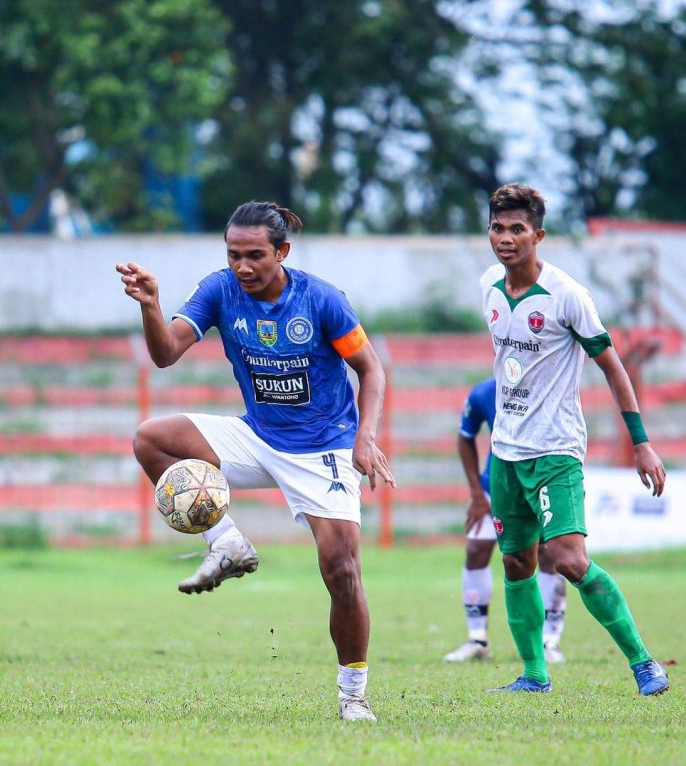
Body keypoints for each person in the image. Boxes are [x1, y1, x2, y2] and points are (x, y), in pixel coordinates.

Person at [116, 200, 395, 723]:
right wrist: (151, 305)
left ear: (282, 252)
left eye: (254, 256)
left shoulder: (322, 299)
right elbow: (164, 354)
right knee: (151, 439)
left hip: (324, 447)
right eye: (233, 255)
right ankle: (226, 543)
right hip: (257, 435)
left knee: (341, 569)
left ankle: (353, 693)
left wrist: (365, 438)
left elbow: (371, 370)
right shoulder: (219, 289)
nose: (242, 267)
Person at [480, 182, 669, 696]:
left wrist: (641, 441)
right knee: (517, 560)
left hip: (556, 449)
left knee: (567, 558)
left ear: (538, 235)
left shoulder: (568, 296)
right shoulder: (489, 288)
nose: (506, 237)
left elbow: (612, 366)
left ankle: (643, 662)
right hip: (505, 451)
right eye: (498, 228)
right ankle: (535, 675)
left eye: (517, 229)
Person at [443, 377, 567, 663]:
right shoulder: (484, 393)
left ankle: (550, 641)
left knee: (549, 555)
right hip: (496, 485)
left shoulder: (547, 385)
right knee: (476, 550)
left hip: (540, 482)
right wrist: (476, 492)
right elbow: (465, 436)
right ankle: (477, 639)